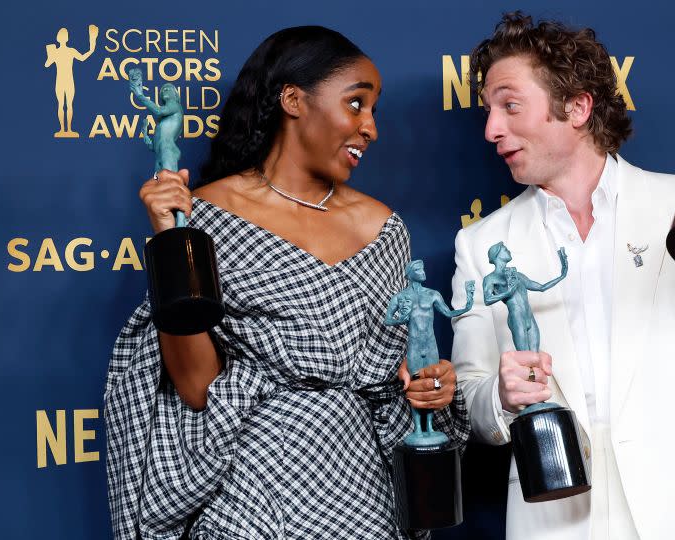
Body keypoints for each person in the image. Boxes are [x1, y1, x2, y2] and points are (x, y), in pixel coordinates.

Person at [104, 26, 469, 539]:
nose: (371, 128)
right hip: (251, 495)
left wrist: (432, 387)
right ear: (294, 100)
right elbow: (195, 387)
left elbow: (398, 380)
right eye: (356, 104)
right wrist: (169, 241)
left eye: (374, 110)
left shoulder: (384, 229)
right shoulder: (205, 217)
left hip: (362, 494)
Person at [450, 12, 675, 540]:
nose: (492, 128)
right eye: (489, 111)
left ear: (578, 107)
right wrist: (500, 395)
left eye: (510, 105)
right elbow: (472, 398)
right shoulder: (478, 245)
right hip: (558, 517)